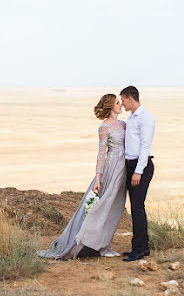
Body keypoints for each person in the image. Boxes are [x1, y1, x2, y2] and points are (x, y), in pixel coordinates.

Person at [37, 94, 127, 259]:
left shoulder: (123, 124)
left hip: (123, 170)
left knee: (115, 207)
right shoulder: (104, 128)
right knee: (100, 206)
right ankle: (88, 242)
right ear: (110, 106)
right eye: (117, 102)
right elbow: (101, 154)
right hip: (110, 169)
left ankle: (105, 243)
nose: (121, 104)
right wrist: (98, 178)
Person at [120, 86, 155, 262]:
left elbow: (145, 146)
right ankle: (142, 246)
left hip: (140, 166)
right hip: (130, 165)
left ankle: (139, 250)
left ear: (130, 98)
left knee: (137, 208)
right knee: (136, 207)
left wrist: (138, 171)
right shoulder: (131, 117)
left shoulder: (145, 117)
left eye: (123, 100)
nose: (122, 104)